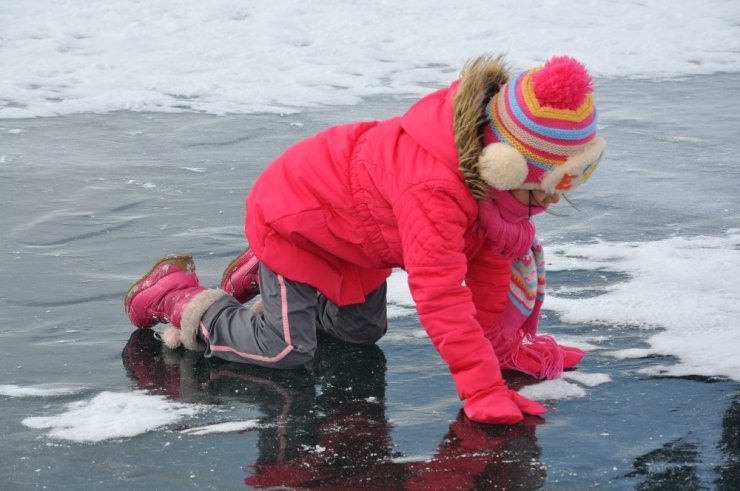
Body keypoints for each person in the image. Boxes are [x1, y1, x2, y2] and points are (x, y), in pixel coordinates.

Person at [123, 54, 606, 425]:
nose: (547, 200)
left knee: (359, 334)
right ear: (505, 163)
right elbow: (440, 294)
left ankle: (261, 273)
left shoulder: (492, 182)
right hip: (295, 224)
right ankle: (179, 295)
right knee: (285, 351)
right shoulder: (433, 191)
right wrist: (479, 389)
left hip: (351, 234)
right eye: (541, 186)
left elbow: (488, 263)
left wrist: (500, 350)